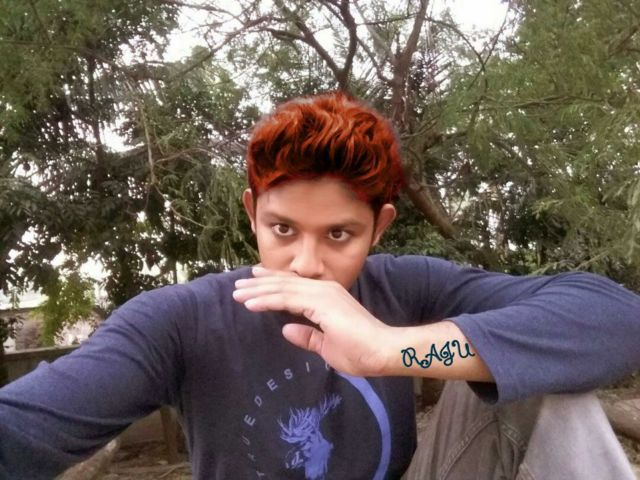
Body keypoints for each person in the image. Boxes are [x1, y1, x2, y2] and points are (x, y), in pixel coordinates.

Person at [1, 92, 639, 480]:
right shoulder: (180, 320)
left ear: (378, 227)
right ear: (252, 212)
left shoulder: (405, 286)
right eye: (282, 228)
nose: (305, 264)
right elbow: (23, 427)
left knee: (543, 387)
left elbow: (615, 316)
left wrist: (395, 348)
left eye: (338, 234)